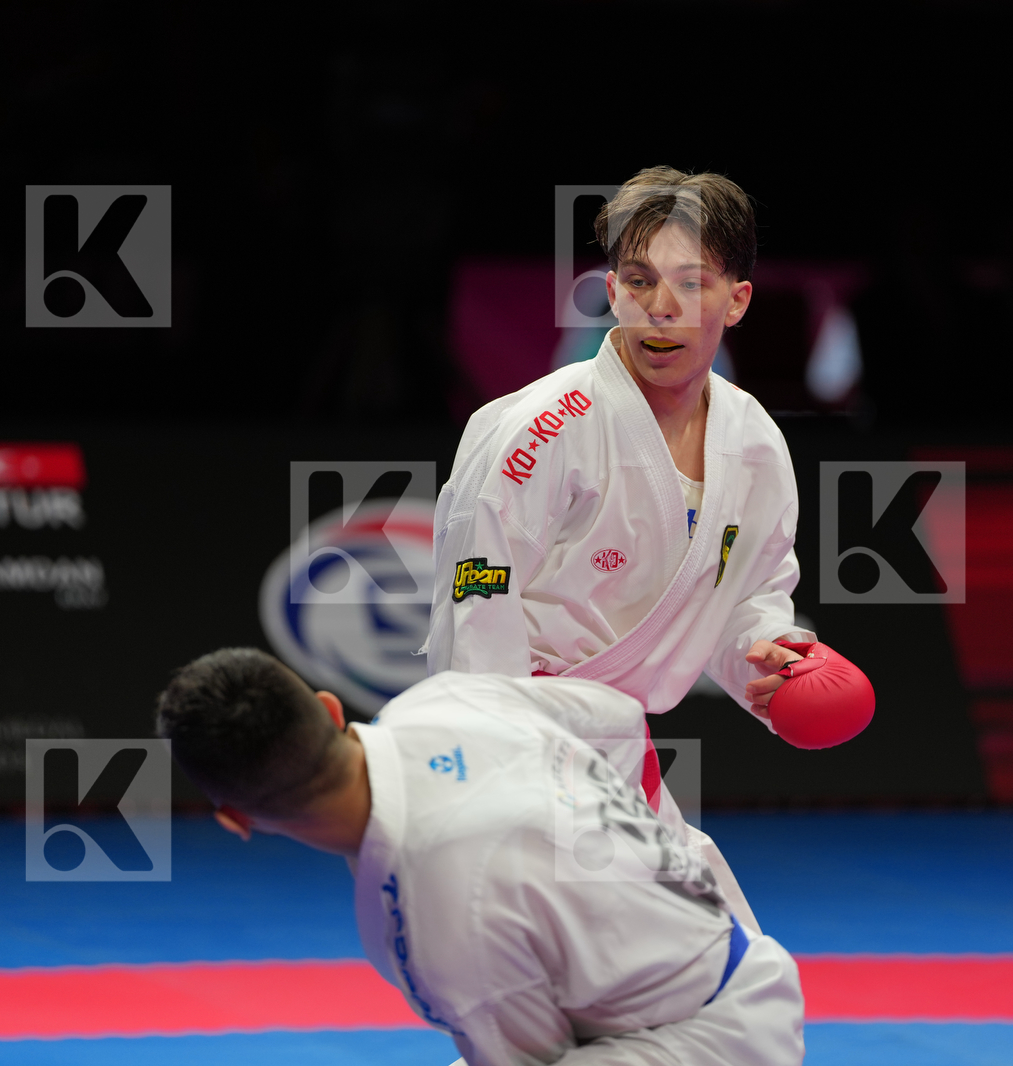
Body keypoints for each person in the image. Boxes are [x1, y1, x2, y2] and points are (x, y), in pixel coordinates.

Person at [428, 167, 873, 927]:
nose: (660, 310)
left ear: (737, 300)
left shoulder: (755, 441)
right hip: (515, 743)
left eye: (691, 284)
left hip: (613, 749)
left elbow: (748, 597)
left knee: (713, 981)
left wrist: (775, 658)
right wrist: (497, 769)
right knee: (674, 985)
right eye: (638, 281)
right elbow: (478, 593)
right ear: (611, 289)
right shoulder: (542, 428)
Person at [156, 647, 805, 1066]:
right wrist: (636, 855)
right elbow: (614, 714)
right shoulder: (444, 699)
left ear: (236, 820)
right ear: (329, 711)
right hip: (729, 962)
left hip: (708, 1044)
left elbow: (532, 1057)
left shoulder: (438, 918)